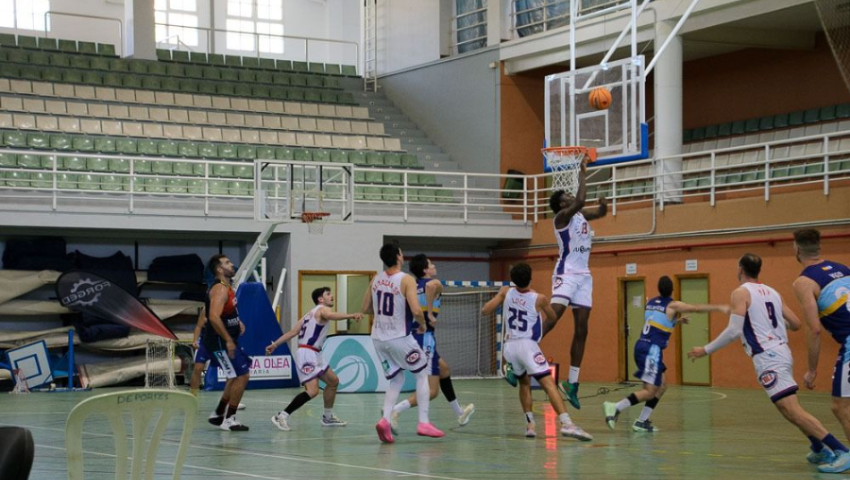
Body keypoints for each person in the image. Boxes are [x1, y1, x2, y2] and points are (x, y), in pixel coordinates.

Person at [688, 253, 850, 473]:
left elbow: (734, 330)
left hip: (768, 356)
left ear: (740, 269)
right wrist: (767, 321)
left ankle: (839, 450)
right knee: (787, 408)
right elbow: (795, 323)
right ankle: (817, 446)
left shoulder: (740, 293)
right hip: (782, 351)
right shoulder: (772, 291)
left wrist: (705, 350)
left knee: (791, 409)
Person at [602, 276, 729, 432]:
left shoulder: (649, 303)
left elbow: (656, 323)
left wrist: (676, 322)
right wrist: (719, 307)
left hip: (642, 346)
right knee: (650, 391)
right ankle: (615, 407)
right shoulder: (673, 305)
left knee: (662, 385)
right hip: (651, 351)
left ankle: (642, 421)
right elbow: (695, 308)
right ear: (672, 290)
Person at [481, 262, 592, 440]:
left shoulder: (505, 292)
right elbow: (553, 317)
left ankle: (530, 424)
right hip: (527, 346)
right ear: (531, 278)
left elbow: (485, 310)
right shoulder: (539, 298)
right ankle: (567, 424)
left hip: (509, 347)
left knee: (524, 383)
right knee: (549, 384)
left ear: (512, 279)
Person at [363, 243, 444, 443]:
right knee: (421, 374)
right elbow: (417, 310)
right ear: (399, 256)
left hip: (378, 339)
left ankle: (385, 420)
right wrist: (423, 324)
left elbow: (365, 308)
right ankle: (423, 422)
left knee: (397, 379)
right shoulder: (406, 279)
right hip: (399, 337)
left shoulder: (375, 279)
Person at [547, 159, 607, 409]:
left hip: (584, 275)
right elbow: (581, 200)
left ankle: (572, 383)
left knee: (582, 328)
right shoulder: (562, 217)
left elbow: (598, 212)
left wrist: (603, 205)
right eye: (568, 194)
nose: (572, 195)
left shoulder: (580, 214)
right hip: (567, 273)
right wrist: (583, 174)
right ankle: (515, 354)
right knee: (554, 316)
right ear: (562, 203)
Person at [390, 254, 475, 433]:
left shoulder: (411, 286)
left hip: (412, 336)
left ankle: (460, 412)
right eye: (431, 264)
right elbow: (431, 285)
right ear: (425, 270)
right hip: (424, 337)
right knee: (432, 391)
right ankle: (394, 410)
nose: (434, 265)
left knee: (443, 369)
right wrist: (429, 312)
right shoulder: (433, 283)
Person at [792, 228, 850, 472]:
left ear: (796, 249)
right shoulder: (844, 269)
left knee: (840, 406)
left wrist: (812, 370)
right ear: (819, 247)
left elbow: (814, 329)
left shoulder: (804, 282)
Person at [267, 287, 363, 430]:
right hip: (307, 354)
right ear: (320, 299)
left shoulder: (308, 314)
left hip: (314, 353)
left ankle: (328, 417)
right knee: (312, 391)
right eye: (328, 294)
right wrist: (351, 316)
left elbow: (292, 332)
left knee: (333, 381)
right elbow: (331, 316)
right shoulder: (322, 310)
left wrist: (275, 344)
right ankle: (282, 415)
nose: (332, 296)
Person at [203, 254, 251, 431]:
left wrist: (237, 321)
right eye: (227, 263)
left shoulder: (227, 287)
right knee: (243, 376)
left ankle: (218, 413)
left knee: (234, 375)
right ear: (219, 269)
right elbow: (213, 317)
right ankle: (230, 419)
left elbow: (225, 312)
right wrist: (228, 340)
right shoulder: (220, 289)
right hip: (220, 342)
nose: (232, 265)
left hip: (224, 340)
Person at [189, 306, 246, 415]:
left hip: (220, 345)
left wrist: (241, 325)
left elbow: (238, 324)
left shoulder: (230, 310)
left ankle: (230, 401)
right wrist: (195, 340)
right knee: (198, 369)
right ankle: (192, 398)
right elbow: (198, 326)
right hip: (205, 344)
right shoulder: (206, 308)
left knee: (230, 373)